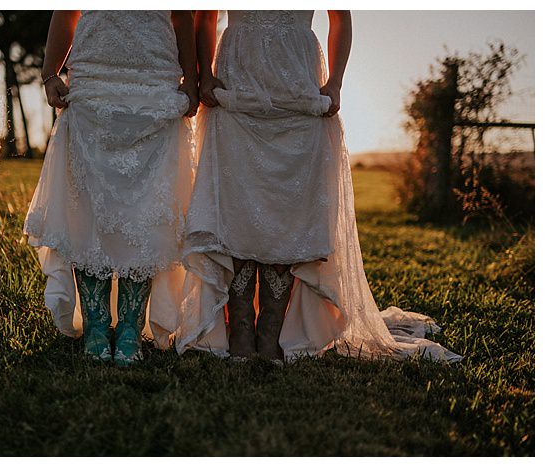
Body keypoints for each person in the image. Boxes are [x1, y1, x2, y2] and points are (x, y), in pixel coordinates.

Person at [175, 10, 461, 363]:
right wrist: (205, 75)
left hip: (296, 80)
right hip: (238, 79)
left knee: (289, 210)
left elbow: (341, 17)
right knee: (235, 204)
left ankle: (272, 332)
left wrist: (335, 83)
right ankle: (241, 330)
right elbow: (204, 17)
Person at [24, 10, 198, 366]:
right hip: (95, 72)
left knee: (149, 204)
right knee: (87, 202)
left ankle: (131, 327)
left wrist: (192, 78)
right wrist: (49, 73)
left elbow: (183, 16)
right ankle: (97, 325)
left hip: (155, 73)